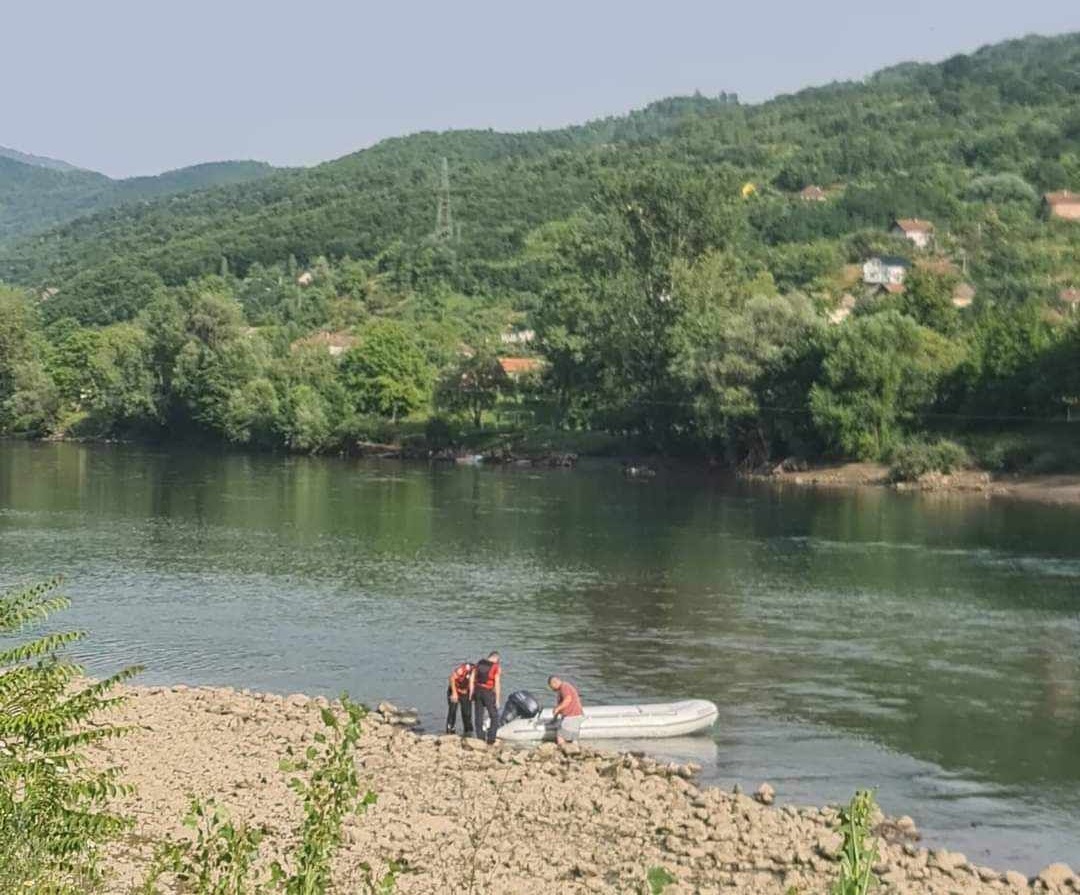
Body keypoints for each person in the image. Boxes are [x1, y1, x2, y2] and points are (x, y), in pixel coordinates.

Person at [469, 651, 502, 744]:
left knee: (478, 715)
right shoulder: (496, 667)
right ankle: (491, 739)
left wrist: (471, 692)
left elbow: (472, 677)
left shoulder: (479, 663)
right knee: (494, 715)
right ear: (497, 659)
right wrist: (497, 700)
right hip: (488, 692)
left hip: (477, 690)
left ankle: (480, 738)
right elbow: (497, 684)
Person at [547, 675, 584, 746]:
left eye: (551, 687)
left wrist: (558, 708)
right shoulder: (561, 690)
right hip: (575, 716)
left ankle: (564, 752)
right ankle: (574, 751)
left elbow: (568, 699)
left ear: (554, 683)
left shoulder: (564, 687)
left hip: (572, 716)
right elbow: (561, 705)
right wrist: (554, 718)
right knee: (573, 739)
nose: (552, 689)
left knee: (560, 736)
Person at [445, 661, 474, 735]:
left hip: (465, 691)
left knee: (467, 713)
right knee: (453, 710)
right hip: (455, 689)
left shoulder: (479, 674)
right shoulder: (464, 669)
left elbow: (473, 684)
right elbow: (452, 678)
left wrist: (471, 695)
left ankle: (468, 731)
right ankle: (450, 730)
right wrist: (454, 693)